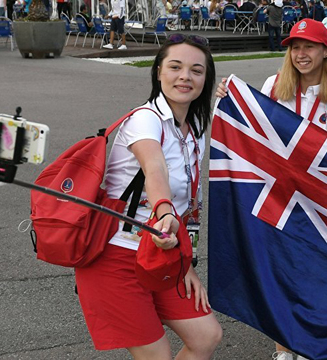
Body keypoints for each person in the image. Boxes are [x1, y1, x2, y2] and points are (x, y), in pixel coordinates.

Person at [216, 19, 327, 360]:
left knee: (311, 276)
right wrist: (229, 97)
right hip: (272, 199)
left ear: (326, 52)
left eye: (309, 47)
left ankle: (307, 344)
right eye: (295, 47)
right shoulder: (272, 86)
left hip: (314, 208)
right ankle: (282, 349)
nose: (301, 54)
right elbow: (246, 129)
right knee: (277, 275)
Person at [74, 33, 222, 359]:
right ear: (158, 72)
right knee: (156, 356)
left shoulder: (192, 133)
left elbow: (190, 208)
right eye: (175, 67)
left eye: (197, 71)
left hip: (161, 255)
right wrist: (165, 211)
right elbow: (155, 168)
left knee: (206, 336)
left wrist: (187, 265)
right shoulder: (145, 119)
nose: (185, 76)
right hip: (114, 257)